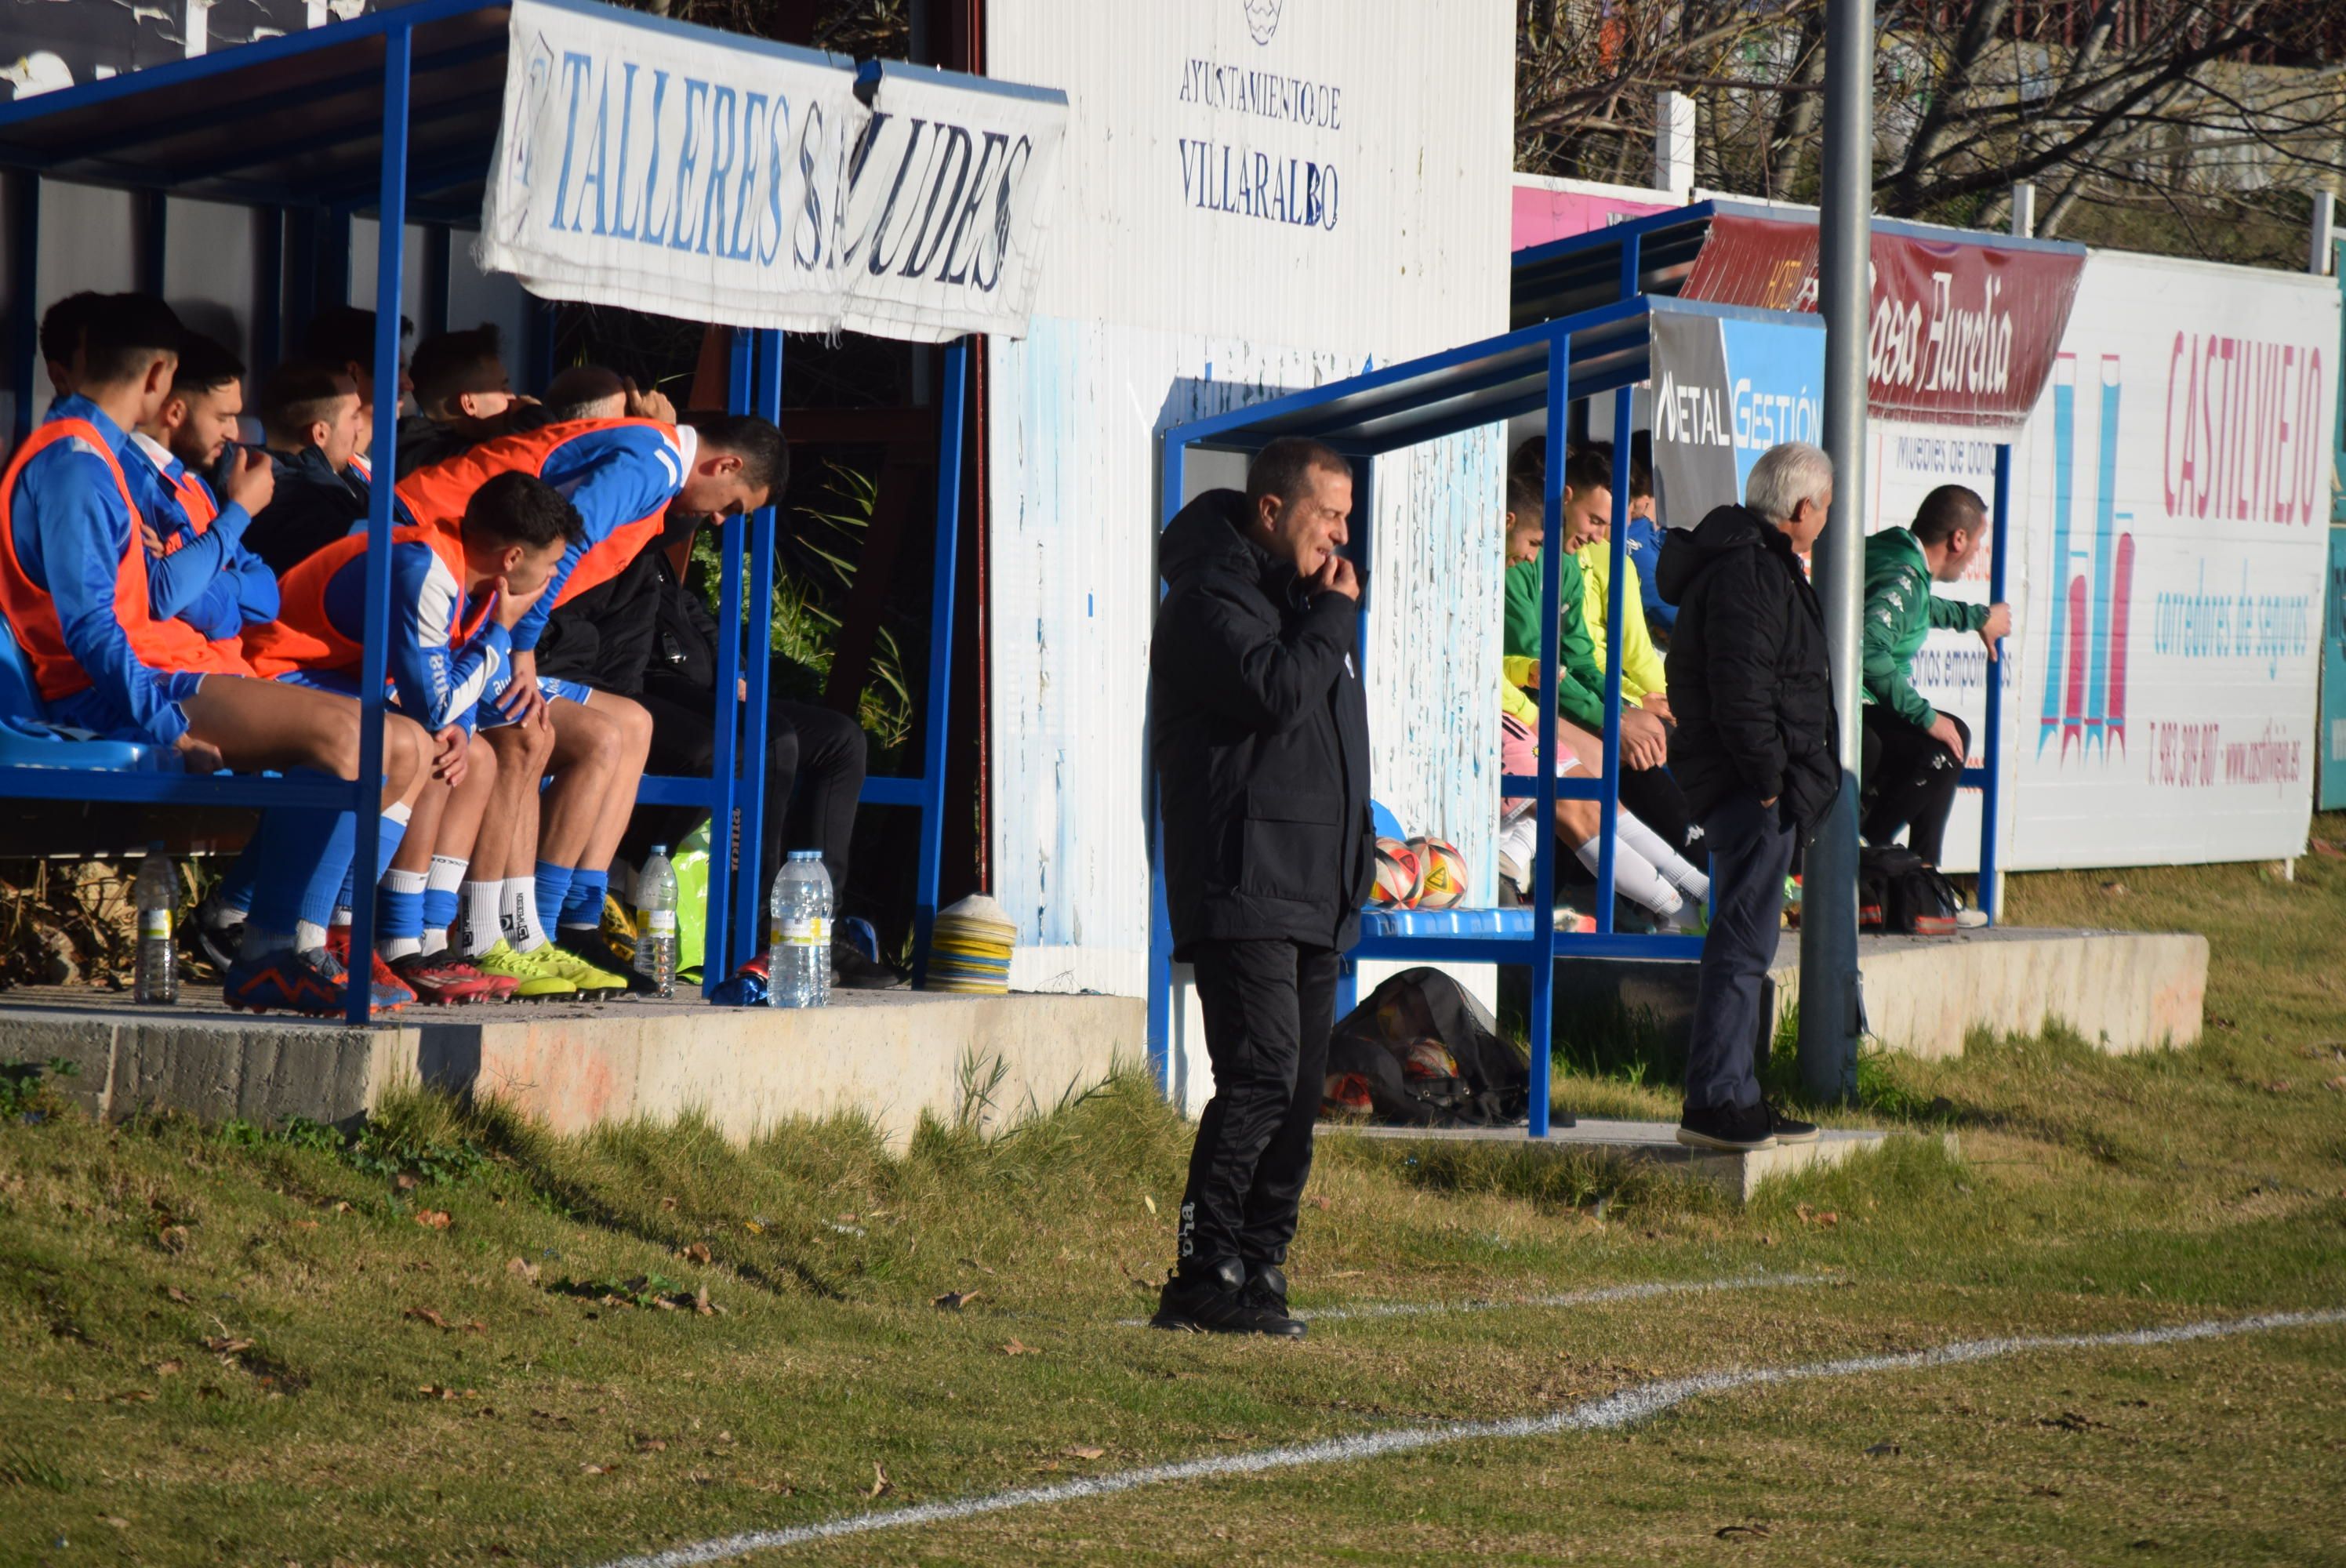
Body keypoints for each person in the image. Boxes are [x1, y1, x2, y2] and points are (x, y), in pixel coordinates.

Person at [0, 293, 427, 1017]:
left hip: (167, 671)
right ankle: (272, 950)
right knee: (350, 736)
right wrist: (168, 724)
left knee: (406, 746)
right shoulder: (73, 464)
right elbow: (93, 633)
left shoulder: (96, 454)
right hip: (121, 691)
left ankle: (291, 943)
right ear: (161, 375)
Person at [397, 407, 781, 990]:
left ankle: (560, 920)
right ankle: (496, 933)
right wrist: (521, 646)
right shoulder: (651, 464)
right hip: (433, 555)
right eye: (733, 506)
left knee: (631, 723)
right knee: (549, 734)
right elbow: (568, 544)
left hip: (474, 598)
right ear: (724, 464)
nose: (724, 521)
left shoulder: (658, 467)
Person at [1149, 436, 1371, 1338]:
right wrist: (1330, 622)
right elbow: (1274, 693)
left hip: (1318, 882)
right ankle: (1202, 1270)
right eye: (1328, 515)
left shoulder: (1306, 603)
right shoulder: (1207, 597)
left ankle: (1263, 1264)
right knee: (1260, 1075)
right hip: (1244, 877)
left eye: (1347, 517)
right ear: (1272, 511)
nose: (1340, 535)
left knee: (1302, 1085)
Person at [241, 471, 586, 1004]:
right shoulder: (427, 569)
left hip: (338, 684)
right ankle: (306, 939)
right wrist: (502, 632)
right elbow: (438, 700)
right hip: (271, 676)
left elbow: (446, 694)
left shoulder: (465, 571)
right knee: (405, 742)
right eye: (553, 561)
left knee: (450, 750)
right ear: (514, 557)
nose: (555, 574)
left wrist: (458, 727)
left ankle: (362, 934)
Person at [600, 506, 902, 989]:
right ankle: (758, 923)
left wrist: (735, 671)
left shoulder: (653, 541)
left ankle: (819, 926)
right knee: (769, 739)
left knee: (841, 740)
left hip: (702, 687)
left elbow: (686, 610)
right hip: (648, 688)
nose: (714, 518)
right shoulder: (604, 524)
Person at [1654, 441, 1834, 1153]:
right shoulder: (1749, 572)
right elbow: (1741, 691)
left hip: (1751, 787)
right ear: (1800, 510)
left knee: (1748, 941)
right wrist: (1769, 784)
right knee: (1741, 945)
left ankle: (1740, 1094)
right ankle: (1717, 1102)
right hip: (1750, 790)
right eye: (1823, 508)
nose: (1823, 520)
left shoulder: (1751, 565)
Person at [1494, 474, 1709, 926]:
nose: (1599, 534)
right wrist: (1613, 718)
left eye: (1609, 524)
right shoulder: (1514, 568)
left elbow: (1576, 661)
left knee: (1594, 782)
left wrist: (1622, 711)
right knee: (1581, 792)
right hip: (1525, 710)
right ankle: (1683, 904)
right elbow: (1522, 664)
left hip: (1530, 706)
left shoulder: (1568, 564)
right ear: (1566, 498)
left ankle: (1691, 895)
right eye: (1595, 519)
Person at [1860, 484, 2011, 869]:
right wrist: (1924, 717)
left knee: (1950, 734)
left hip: (1847, 705)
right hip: (1848, 709)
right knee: (1945, 745)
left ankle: (1923, 874)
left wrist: (1976, 618)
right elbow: (1868, 648)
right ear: (1958, 539)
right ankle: (1864, 851)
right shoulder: (1904, 578)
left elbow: (1919, 606)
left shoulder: (1893, 552)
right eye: (1977, 543)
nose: (1976, 553)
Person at [122, 331, 278, 654]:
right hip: (172, 678)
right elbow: (167, 595)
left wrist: (213, 584)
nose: (234, 432)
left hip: (223, 672)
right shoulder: (127, 477)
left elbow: (268, 600)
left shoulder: (195, 485)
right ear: (176, 413)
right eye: (224, 417)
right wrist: (240, 512)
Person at [242, 363, 376, 575]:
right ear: (319, 433)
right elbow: (378, 547)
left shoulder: (342, 473)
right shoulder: (285, 501)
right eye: (354, 416)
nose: (360, 426)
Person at [396, 323, 516, 477]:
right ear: (469, 404)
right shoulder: (440, 464)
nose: (513, 397)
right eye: (503, 389)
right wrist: (535, 418)